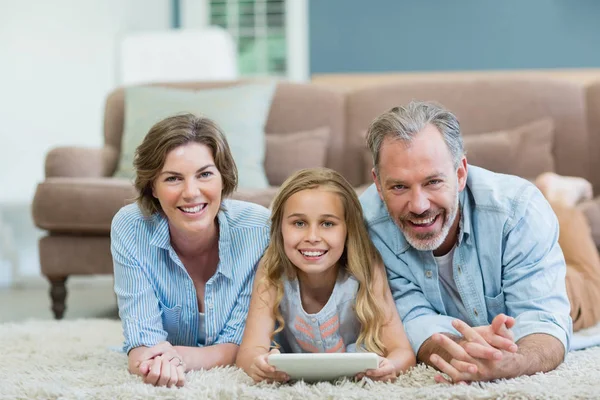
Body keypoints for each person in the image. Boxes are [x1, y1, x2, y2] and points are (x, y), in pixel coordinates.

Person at [359, 101, 587, 384]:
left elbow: (544, 318)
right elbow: (411, 319)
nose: (418, 206)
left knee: (586, 278)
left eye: (433, 182)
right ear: (378, 184)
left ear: (460, 173)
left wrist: (511, 362)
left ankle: (562, 199)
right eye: (399, 186)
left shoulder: (519, 208)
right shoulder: (366, 226)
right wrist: (464, 351)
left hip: (560, 281)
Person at [111, 113, 270, 387]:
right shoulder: (130, 226)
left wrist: (178, 358)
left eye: (205, 174)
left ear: (223, 178)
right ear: (153, 187)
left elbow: (243, 343)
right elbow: (142, 344)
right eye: (173, 178)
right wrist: (151, 360)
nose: (191, 192)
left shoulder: (258, 229)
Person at [236, 168, 416, 383]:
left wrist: (391, 366)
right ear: (280, 229)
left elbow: (402, 352)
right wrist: (258, 364)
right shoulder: (272, 269)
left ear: (348, 230)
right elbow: (248, 352)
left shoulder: (367, 268)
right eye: (299, 223)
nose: (312, 237)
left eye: (328, 224)